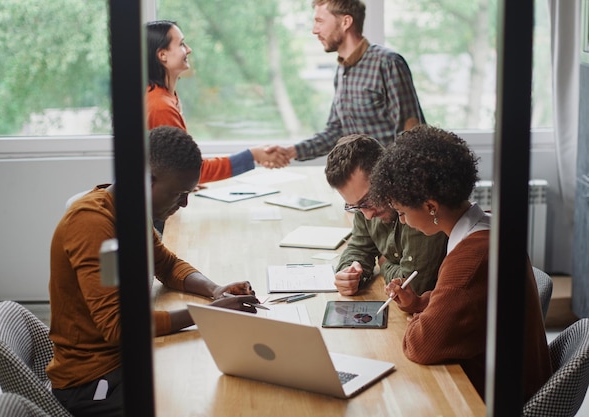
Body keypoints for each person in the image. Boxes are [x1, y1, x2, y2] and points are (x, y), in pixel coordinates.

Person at [47, 126, 260, 417]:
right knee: (205, 399)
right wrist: (209, 314)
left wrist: (214, 290)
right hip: (92, 382)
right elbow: (118, 328)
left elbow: (167, 265)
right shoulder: (92, 223)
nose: (184, 203)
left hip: (123, 361)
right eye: (179, 193)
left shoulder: (129, 210)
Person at [368, 125, 552, 401]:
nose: (402, 221)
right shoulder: (487, 225)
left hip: (498, 399)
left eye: (402, 212)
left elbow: (421, 345)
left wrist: (421, 320)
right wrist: (420, 303)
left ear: (431, 207)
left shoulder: (472, 259)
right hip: (509, 378)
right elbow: (470, 304)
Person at [272, 0, 425, 163]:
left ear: (346, 22)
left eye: (320, 21)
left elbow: (411, 137)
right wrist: (290, 152)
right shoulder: (341, 71)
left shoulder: (387, 63)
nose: (314, 30)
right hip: (360, 181)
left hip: (390, 181)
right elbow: (336, 132)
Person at [146, 19, 289, 181]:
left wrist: (183, 184)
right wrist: (253, 155)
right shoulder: (160, 106)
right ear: (162, 55)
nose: (189, 50)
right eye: (181, 44)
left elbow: (179, 168)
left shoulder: (165, 98)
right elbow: (192, 170)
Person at [324, 133, 447, 296]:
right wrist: (349, 273)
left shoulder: (419, 209)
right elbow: (360, 247)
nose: (367, 215)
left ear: (385, 174)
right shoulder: (364, 204)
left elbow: (413, 286)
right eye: (355, 207)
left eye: (368, 200)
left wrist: (382, 263)